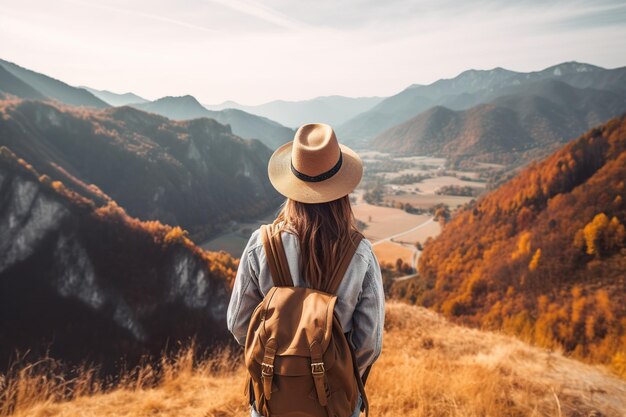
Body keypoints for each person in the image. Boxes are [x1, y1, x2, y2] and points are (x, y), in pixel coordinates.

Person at [227, 123, 385, 417]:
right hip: (336, 406)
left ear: (292, 186)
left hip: (270, 402)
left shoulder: (260, 244)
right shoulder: (359, 253)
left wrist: (279, 366)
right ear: (343, 189)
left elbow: (238, 324)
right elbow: (369, 344)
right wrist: (336, 373)